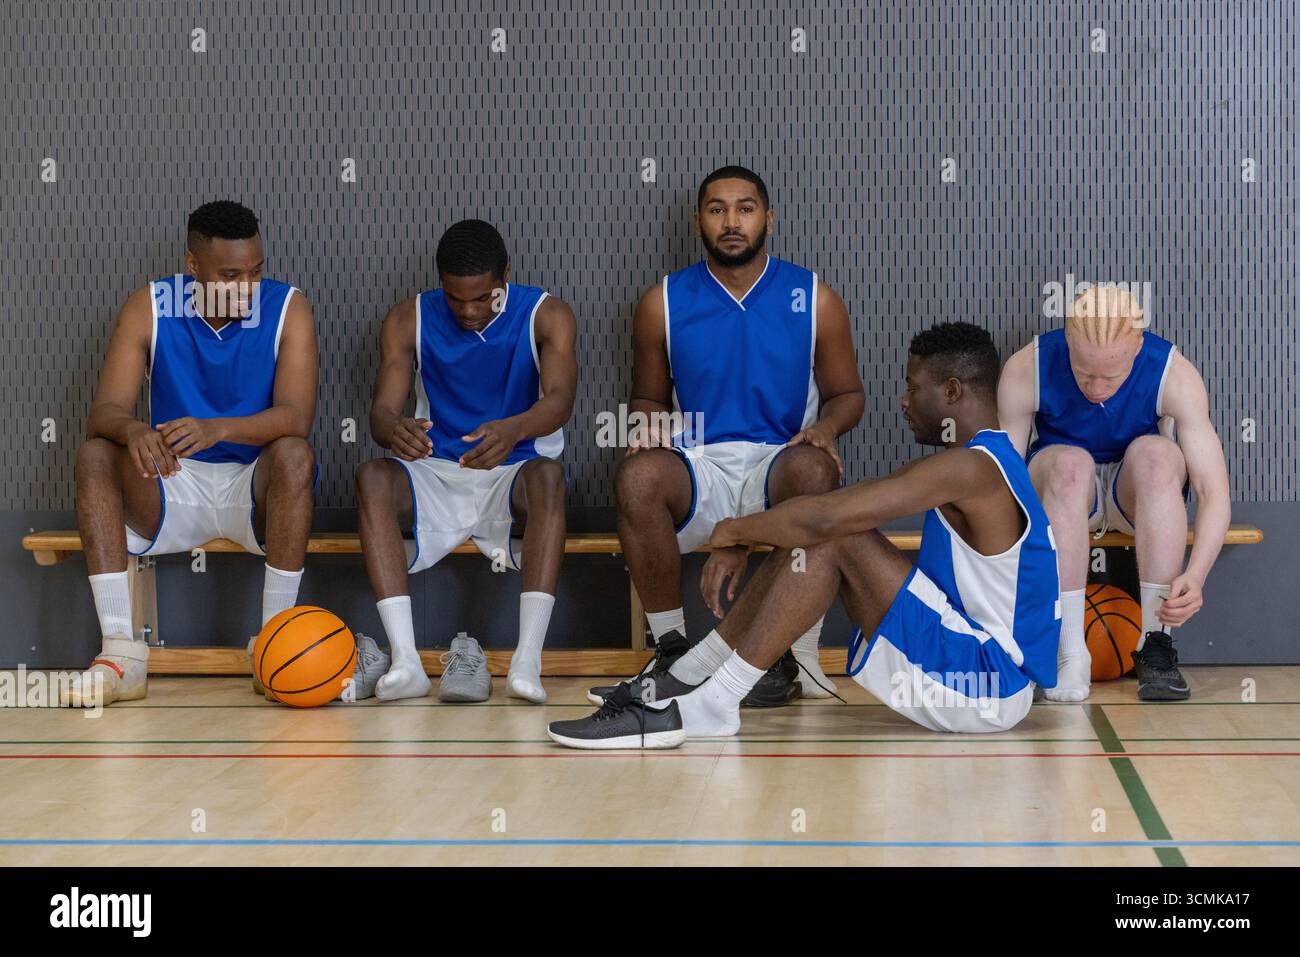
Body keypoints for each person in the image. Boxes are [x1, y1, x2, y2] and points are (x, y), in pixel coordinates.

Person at [549, 322, 1059, 748]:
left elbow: (828, 520)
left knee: (835, 534)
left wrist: (734, 530)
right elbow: (826, 515)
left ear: (951, 390)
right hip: (983, 671)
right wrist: (750, 533)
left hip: (988, 683)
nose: (903, 400)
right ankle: (687, 677)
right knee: (826, 532)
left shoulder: (973, 467)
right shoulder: (983, 459)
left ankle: (712, 703)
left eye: (912, 386)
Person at [596, 165, 864, 707]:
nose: (732, 222)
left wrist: (824, 429)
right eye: (717, 210)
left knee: (816, 468)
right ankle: (672, 650)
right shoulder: (663, 301)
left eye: (745, 208)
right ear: (698, 221)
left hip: (780, 459)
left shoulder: (813, 296)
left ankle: (793, 652)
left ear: (768, 216)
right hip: (701, 462)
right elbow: (647, 396)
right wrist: (648, 424)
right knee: (637, 476)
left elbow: (848, 395)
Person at [65, 200, 335, 707]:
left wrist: (218, 428)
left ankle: (272, 645)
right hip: (172, 479)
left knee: (296, 454)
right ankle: (121, 654)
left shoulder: (288, 306)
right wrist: (132, 430)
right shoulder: (150, 305)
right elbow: (106, 410)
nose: (246, 287)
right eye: (230, 274)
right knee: (95, 455)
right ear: (193, 266)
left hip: (252, 488)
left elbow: (296, 417)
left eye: (255, 271)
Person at [355, 220, 577, 704]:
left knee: (550, 477)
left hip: (514, 469)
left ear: (506, 277)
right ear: (440, 283)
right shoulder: (406, 319)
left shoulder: (548, 313)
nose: (470, 311)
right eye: (456, 299)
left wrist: (514, 428)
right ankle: (407, 661)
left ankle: (527, 661)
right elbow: (380, 415)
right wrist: (395, 429)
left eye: (483, 298)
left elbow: (561, 400)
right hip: (438, 471)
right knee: (372, 475)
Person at [998, 286, 1231, 701]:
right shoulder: (1027, 367)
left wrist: (1195, 575)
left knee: (1158, 455)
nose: (1098, 388)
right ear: (1067, 340)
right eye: (1085, 374)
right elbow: (1004, 484)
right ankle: (1068, 652)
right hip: (1064, 491)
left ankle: (1156, 646)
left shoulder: (1173, 373)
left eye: (1112, 376)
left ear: (1138, 348)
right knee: (1070, 464)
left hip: (1135, 493)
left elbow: (1213, 492)